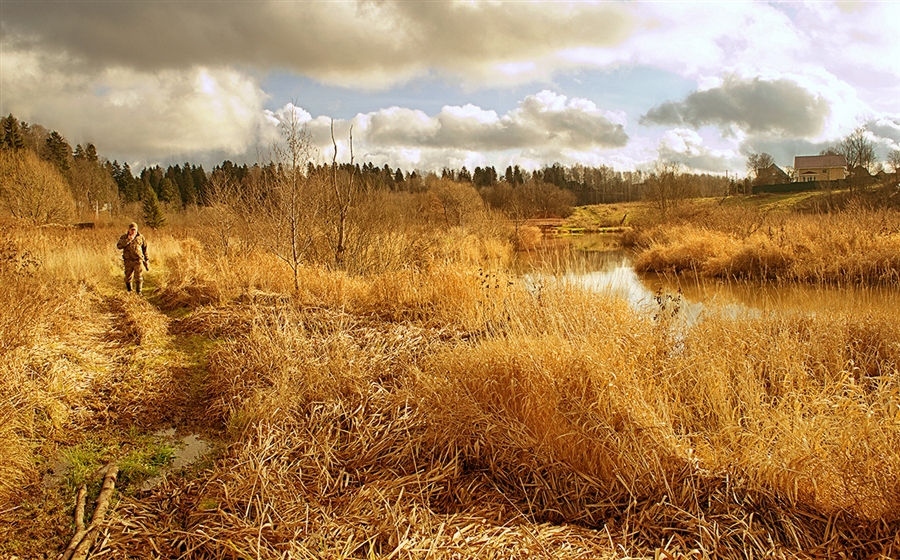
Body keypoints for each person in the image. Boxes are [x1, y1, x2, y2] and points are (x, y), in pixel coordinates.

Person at [116, 222, 149, 294]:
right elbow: (119, 246)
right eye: (132, 230)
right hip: (128, 261)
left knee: (139, 277)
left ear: (137, 230)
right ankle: (130, 291)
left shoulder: (141, 237)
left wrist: (146, 260)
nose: (133, 231)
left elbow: (145, 248)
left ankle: (138, 293)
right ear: (128, 230)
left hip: (138, 260)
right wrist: (128, 240)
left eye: (134, 230)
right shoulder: (124, 237)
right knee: (128, 277)